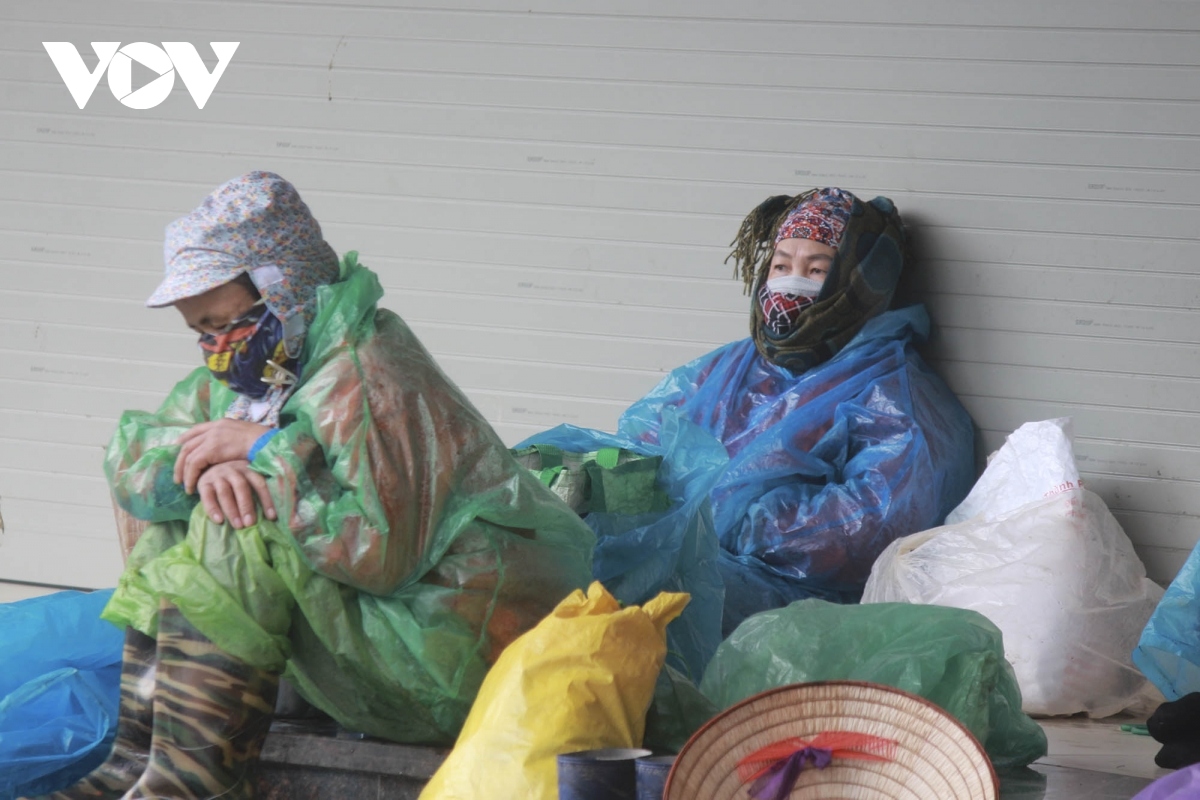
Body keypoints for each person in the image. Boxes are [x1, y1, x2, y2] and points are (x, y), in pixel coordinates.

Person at [29, 171, 595, 800]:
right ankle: (138, 759)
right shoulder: (254, 381)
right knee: (183, 514)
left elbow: (375, 552)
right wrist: (210, 464)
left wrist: (267, 454)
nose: (217, 350)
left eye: (227, 324)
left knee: (233, 520)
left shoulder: (366, 373)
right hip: (368, 643)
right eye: (201, 333)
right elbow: (135, 459)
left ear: (283, 289)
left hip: (449, 655)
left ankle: (199, 780)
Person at [519, 187, 975, 638]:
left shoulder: (896, 396)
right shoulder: (731, 366)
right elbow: (647, 441)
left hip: (792, 603)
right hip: (694, 560)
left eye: (815, 270)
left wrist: (735, 519)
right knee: (542, 561)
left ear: (859, 284)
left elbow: (870, 529)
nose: (789, 283)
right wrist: (595, 483)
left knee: (623, 607)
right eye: (781, 266)